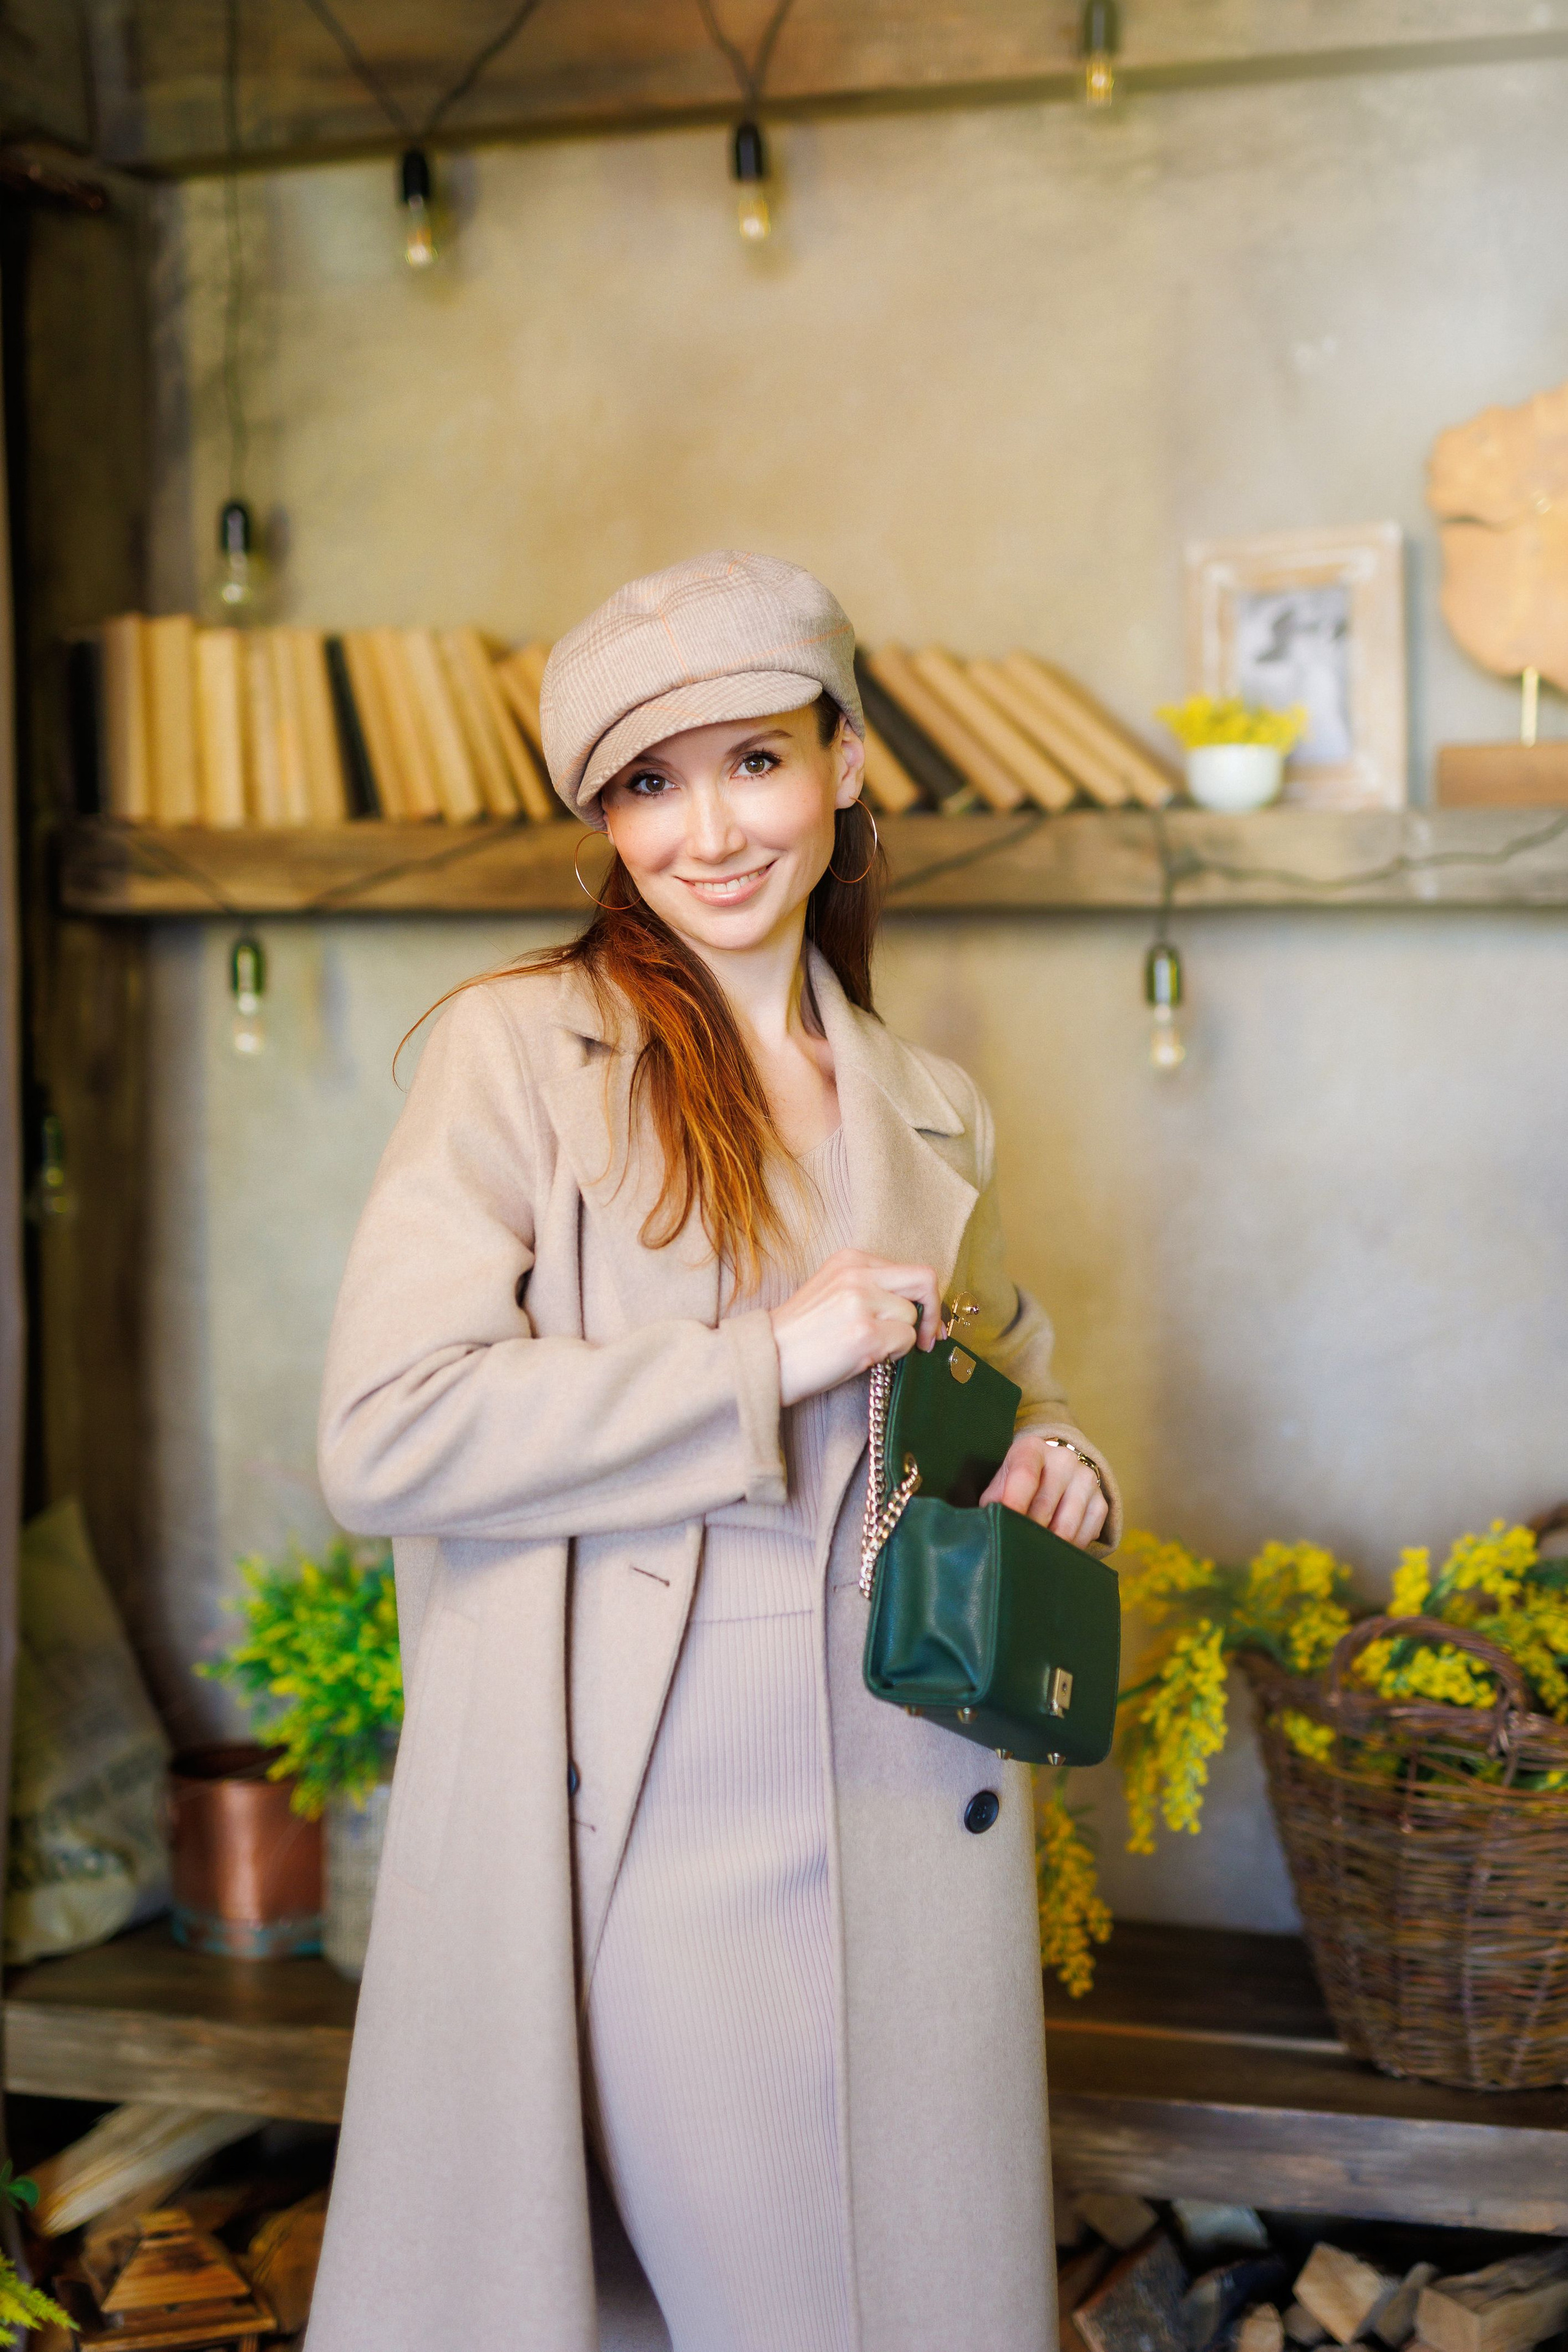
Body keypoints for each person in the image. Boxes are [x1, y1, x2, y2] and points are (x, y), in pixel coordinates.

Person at [305, 551, 1120, 2352]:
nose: (711, 830)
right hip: (670, 1810)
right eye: (647, 786)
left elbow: (1017, 1382)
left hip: (923, 1789)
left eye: (752, 760)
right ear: (605, 824)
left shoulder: (928, 1096)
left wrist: (1061, 1475)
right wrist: (766, 1355)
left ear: (844, 762)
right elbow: (385, 1431)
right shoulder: (521, 1053)